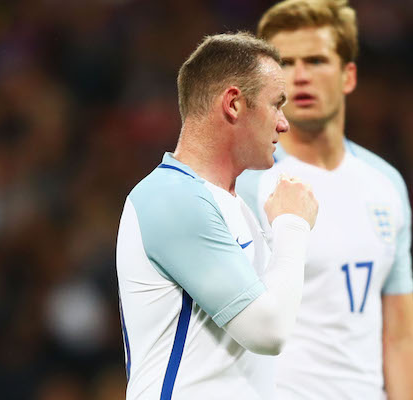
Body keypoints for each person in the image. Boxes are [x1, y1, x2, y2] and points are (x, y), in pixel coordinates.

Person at [235, 0, 413, 398]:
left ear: (348, 75)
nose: (301, 76)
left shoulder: (385, 183)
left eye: (316, 60)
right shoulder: (247, 181)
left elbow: (402, 335)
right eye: (285, 64)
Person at [115, 32, 318, 399]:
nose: (284, 124)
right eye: (276, 104)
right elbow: (267, 330)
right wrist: (292, 223)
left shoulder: (236, 208)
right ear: (234, 104)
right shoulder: (170, 198)